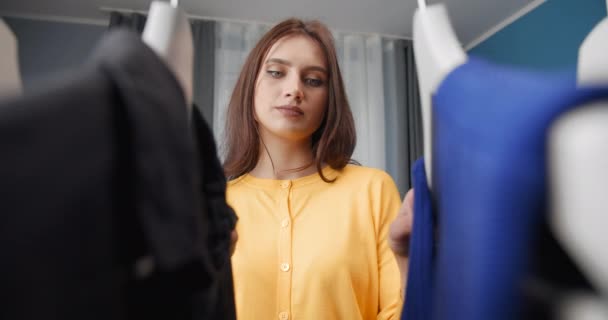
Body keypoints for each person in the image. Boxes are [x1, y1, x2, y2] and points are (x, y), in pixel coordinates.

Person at [223, 18, 414, 320]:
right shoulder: (218, 204)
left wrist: (406, 260)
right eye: (276, 72)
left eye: (313, 80)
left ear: (329, 100)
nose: (294, 89)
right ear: (250, 87)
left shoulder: (371, 190)